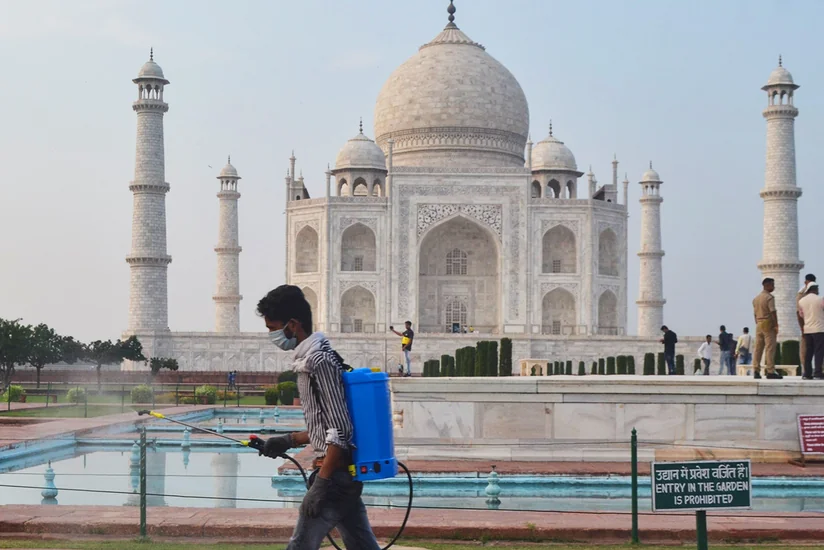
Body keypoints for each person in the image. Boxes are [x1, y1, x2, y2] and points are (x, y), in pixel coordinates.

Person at [256, 285, 380, 550]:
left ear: (293, 325)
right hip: (339, 476)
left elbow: (340, 428)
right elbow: (325, 427)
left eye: (273, 328)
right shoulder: (308, 360)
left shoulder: (319, 360)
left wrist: (321, 484)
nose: (272, 335)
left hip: (333, 478)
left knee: (299, 546)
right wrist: (288, 440)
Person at [753, 278, 782, 379]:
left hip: (759, 323)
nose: (773, 287)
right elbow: (773, 311)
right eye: (772, 285)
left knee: (758, 348)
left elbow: (755, 314)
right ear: (767, 285)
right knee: (770, 348)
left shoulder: (756, 298)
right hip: (767, 323)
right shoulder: (769, 297)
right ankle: (770, 371)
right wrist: (776, 325)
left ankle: (756, 370)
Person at [797, 282, 824, 380]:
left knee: (809, 352)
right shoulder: (820, 299)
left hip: (807, 329)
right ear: (815, 289)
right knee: (819, 351)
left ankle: (807, 373)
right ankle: (818, 372)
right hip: (819, 329)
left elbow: (801, 315)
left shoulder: (801, 301)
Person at [797, 274, 817, 368]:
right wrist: (802, 328)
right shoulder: (801, 295)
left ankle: (817, 369)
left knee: (817, 349)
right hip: (806, 325)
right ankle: (806, 369)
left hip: (814, 324)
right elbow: (799, 313)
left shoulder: (814, 293)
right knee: (805, 349)